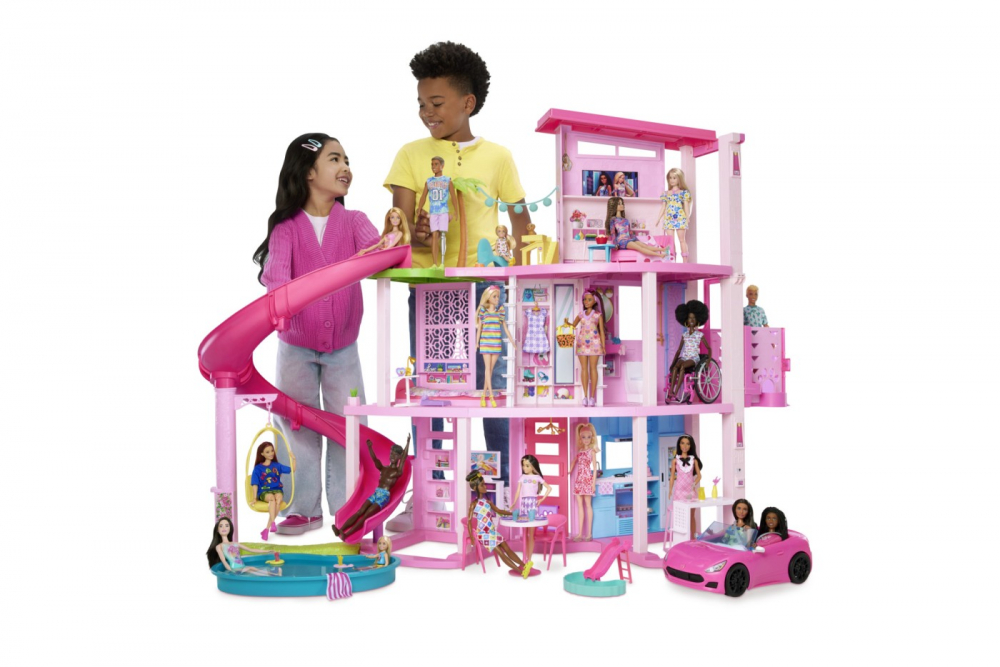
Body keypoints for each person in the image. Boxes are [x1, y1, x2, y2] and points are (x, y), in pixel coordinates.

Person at [385, 42, 532, 487]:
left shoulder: (498, 157)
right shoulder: (410, 154)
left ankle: (504, 485)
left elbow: (521, 223)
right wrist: (417, 231)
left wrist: (526, 276)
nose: (426, 113)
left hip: (488, 287)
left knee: (494, 382)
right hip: (431, 285)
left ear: (468, 103)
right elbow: (398, 228)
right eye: (420, 104)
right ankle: (431, 486)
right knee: (430, 384)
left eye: (436, 102)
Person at [253, 133, 380, 536]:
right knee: (296, 423)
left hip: (344, 348)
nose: (346, 167)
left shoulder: (355, 222)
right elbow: (276, 277)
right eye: (335, 159)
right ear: (309, 172)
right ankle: (302, 508)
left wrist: (398, 238)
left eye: (347, 160)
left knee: (348, 424)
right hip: (294, 347)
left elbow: (379, 254)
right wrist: (278, 309)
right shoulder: (287, 228)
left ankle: (347, 508)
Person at [333, 436, 410, 539]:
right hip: (376, 493)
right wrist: (370, 447)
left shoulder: (397, 472)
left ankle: (347, 534)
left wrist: (408, 443)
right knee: (360, 512)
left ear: (399, 457)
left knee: (366, 516)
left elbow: (404, 458)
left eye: (395, 455)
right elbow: (375, 460)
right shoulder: (384, 469)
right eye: (391, 453)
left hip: (384, 497)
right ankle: (340, 530)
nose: (392, 456)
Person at [465, 471, 533, 578]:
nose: (485, 486)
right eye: (482, 485)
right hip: (483, 534)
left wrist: (512, 513)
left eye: (484, 484)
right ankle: (521, 572)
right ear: (476, 488)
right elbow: (469, 521)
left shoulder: (488, 502)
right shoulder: (474, 504)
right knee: (501, 553)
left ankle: (524, 566)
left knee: (507, 548)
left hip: (492, 531)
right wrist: (472, 537)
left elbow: (499, 511)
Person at [564, 288, 606, 406]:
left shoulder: (598, 315)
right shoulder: (581, 314)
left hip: (595, 344)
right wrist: (567, 324)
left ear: (595, 301)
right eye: (585, 300)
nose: (586, 302)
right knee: (584, 369)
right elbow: (573, 326)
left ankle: (592, 397)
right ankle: (585, 396)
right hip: (582, 343)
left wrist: (603, 346)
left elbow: (601, 331)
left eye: (589, 300)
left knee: (593, 368)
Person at [416, 156, 461, 267]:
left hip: (443, 211)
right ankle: (434, 263)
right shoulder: (429, 181)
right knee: (434, 235)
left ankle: (442, 262)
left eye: (436, 164)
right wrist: (420, 208)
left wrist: (456, 211)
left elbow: (453, 197)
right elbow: (423, 196)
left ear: (442, 166)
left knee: (443, 235)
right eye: (432, 164)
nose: (433, 166)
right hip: (433, 212)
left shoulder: (447, 180)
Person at [476, 286, 516, 408]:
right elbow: (479, 329)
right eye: (494, 296)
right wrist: (477, 343)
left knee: (490, 370)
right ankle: (491, 397)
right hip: (485, 343)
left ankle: (483, 395)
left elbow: (505, 329)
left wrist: (512, 342)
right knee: (487, 370)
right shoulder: (483, 312)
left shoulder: (500, 312)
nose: (497, 299)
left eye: (498, 296)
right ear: (488, 298)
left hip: (496, 344)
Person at [249, 441, 296, 541]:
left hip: (277, 489)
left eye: (272, 451)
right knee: (272, 498)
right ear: (262, 454)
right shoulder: (258, 468)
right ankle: (273, 523)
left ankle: (267, 529)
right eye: (267, 452)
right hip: (264, 491)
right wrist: (254, 498)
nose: (271, 453)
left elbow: (292, 470)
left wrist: (294, 459)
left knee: (278, 498)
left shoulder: (276, 465)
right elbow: (255, 483)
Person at [668, 299, 711, 401]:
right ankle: (671, 391)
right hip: (685, 356)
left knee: (682, 366)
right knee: (676, 367)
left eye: (693, 318)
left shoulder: (699, 335)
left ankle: (676, 392)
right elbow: (679, 350)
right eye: (689, 318)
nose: (691, 320)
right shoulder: (685, 335)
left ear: (697, 320)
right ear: (686, 320)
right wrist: (673, 363)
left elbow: (709, 348)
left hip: (693, 358)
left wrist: (708, 360)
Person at [206, 517, 280, 576]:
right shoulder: (219, 546)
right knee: (251, 569)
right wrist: (231, 571)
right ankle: (272, 573)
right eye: (221, 526)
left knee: (252, 568)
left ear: (230, 528)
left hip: (243, 567)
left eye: (227, 525)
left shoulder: (235, 544)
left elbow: (251, 550)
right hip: (235, 569)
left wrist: (268, 551)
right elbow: (224, 561)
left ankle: (271, 573)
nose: (224, 528)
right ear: (217, 530)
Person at [568, 423, 600, 541]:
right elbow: (574, 461)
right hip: (579, 480)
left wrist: (593, 483)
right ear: (580, 438)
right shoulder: (580, 451)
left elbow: (595, 468)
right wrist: (569, 470)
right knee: (580, 506)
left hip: (587, 479)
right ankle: (580, 533)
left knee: (588, 505)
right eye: (583, 437)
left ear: (592, 438)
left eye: (588, 437)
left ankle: (589, 534)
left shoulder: (592, 451)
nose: (586, 439)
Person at [668, 435, 703, 537]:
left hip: (690, 492)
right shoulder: (675, 461)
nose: (685, 446)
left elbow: (699, 476)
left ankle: (693, 538)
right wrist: (670, 490)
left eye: (688, 444)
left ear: (690, 446)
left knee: (691, 516)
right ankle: (680, 538)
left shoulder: (694, 461)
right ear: (679, 445)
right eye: (682, 443)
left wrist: (694, 483)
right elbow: (672, 477)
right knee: (680, 517)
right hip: (679, 492)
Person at [656, 168, 693, 262]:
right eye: (670, 178)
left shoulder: (683, 193)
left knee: (682, 240)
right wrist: (658, 218)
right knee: (671, 241)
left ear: (679, 179)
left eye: (674, 178)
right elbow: (663, 207)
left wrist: (687, 217)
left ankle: (685, 262)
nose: (671, 180)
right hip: (668, 219)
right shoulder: (666, 193)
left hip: (680, 218)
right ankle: (673, 260)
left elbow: (686, 206)